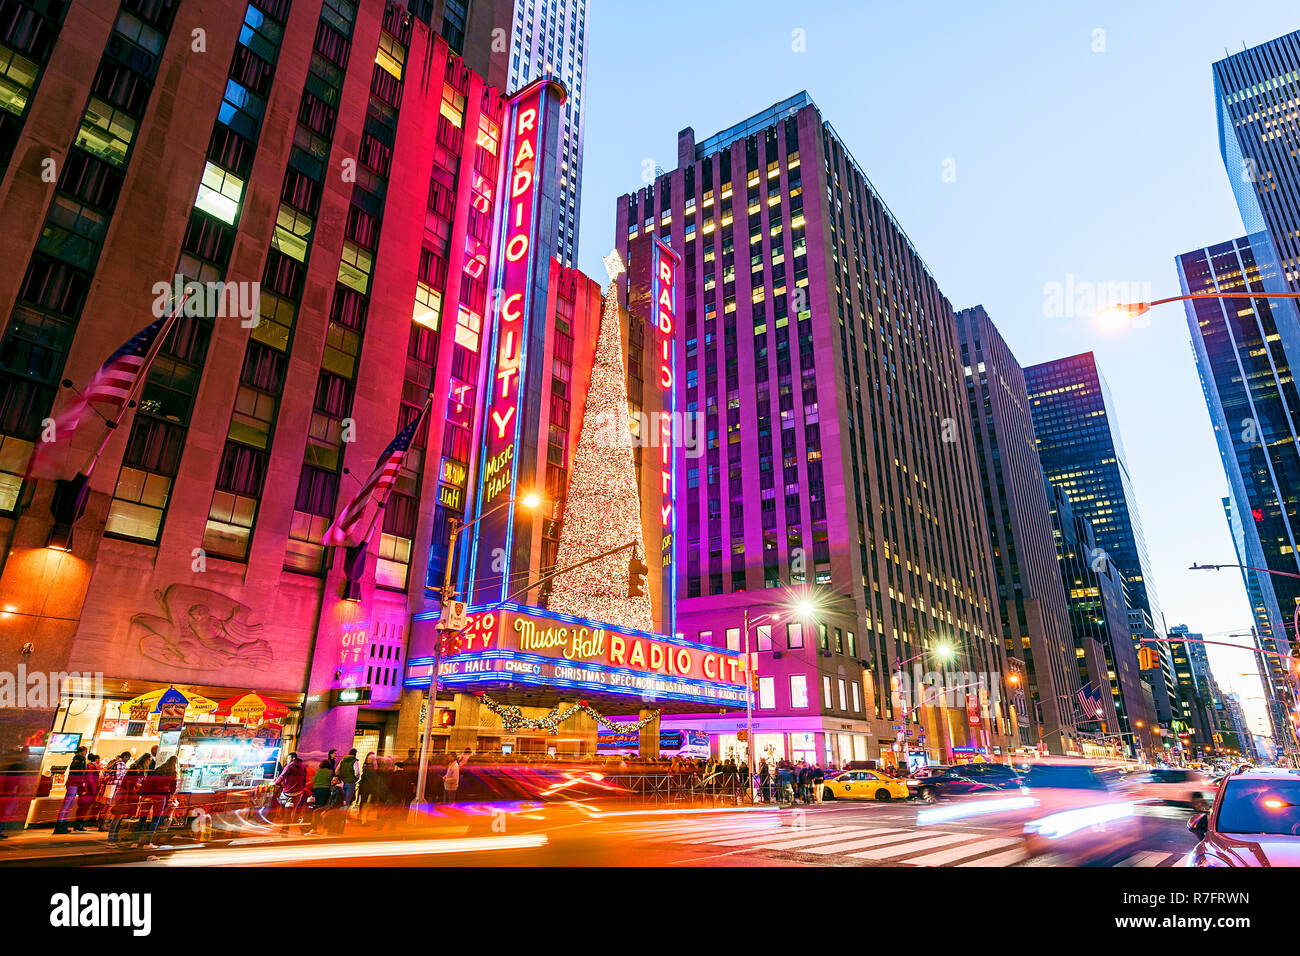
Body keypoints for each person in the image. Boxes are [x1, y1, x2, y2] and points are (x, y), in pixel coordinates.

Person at [134, 756, 179, 849]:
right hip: (160, 797)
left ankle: (135, 842)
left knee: (142, 819)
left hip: (149, 796)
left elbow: (149, 780)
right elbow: (173, 788)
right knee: (155, 820)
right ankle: (147, 843)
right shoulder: (173, 773)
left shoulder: (159, 769)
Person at [107, 754, 150, 846]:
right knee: (117, 816)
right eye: (149, 760)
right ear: (146, 760)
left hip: (127, 794)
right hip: (125, 794)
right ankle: (111, 839)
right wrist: (139, 786)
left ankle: (114, 838)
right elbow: (130, 781)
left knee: (120, 817)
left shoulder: (138, 768)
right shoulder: (137, 769)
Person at [52, 746, 88, 835]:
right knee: (68, 804)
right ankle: (60, 825)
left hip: (72, 783)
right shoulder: (81, 760)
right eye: (85, 751)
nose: (85, 753)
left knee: (68, 804)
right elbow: (81, 773)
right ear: (82, 752)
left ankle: (61, 825)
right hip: (74, 784)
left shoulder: (75, 760)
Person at [272, 752, 307, 832]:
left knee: (281, 805)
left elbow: (281, 777)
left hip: (288, 792)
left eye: (288, 758)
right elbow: (304, 779)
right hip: (299, 792)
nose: (287, 760)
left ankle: (284, 828)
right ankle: (288, 826)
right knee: (292, 810)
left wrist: (276, 782)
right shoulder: (303, 766)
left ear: (293, 758)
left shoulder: (289, 766)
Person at [309, 758, 334, 833]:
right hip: (325, 790)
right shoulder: (330, 772)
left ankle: (315, 823)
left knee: (316, 806)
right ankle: (321, 822)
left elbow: (314, 780)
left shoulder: (318, 771)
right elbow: (331, 782)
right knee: (321, 806)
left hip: (316, 789)